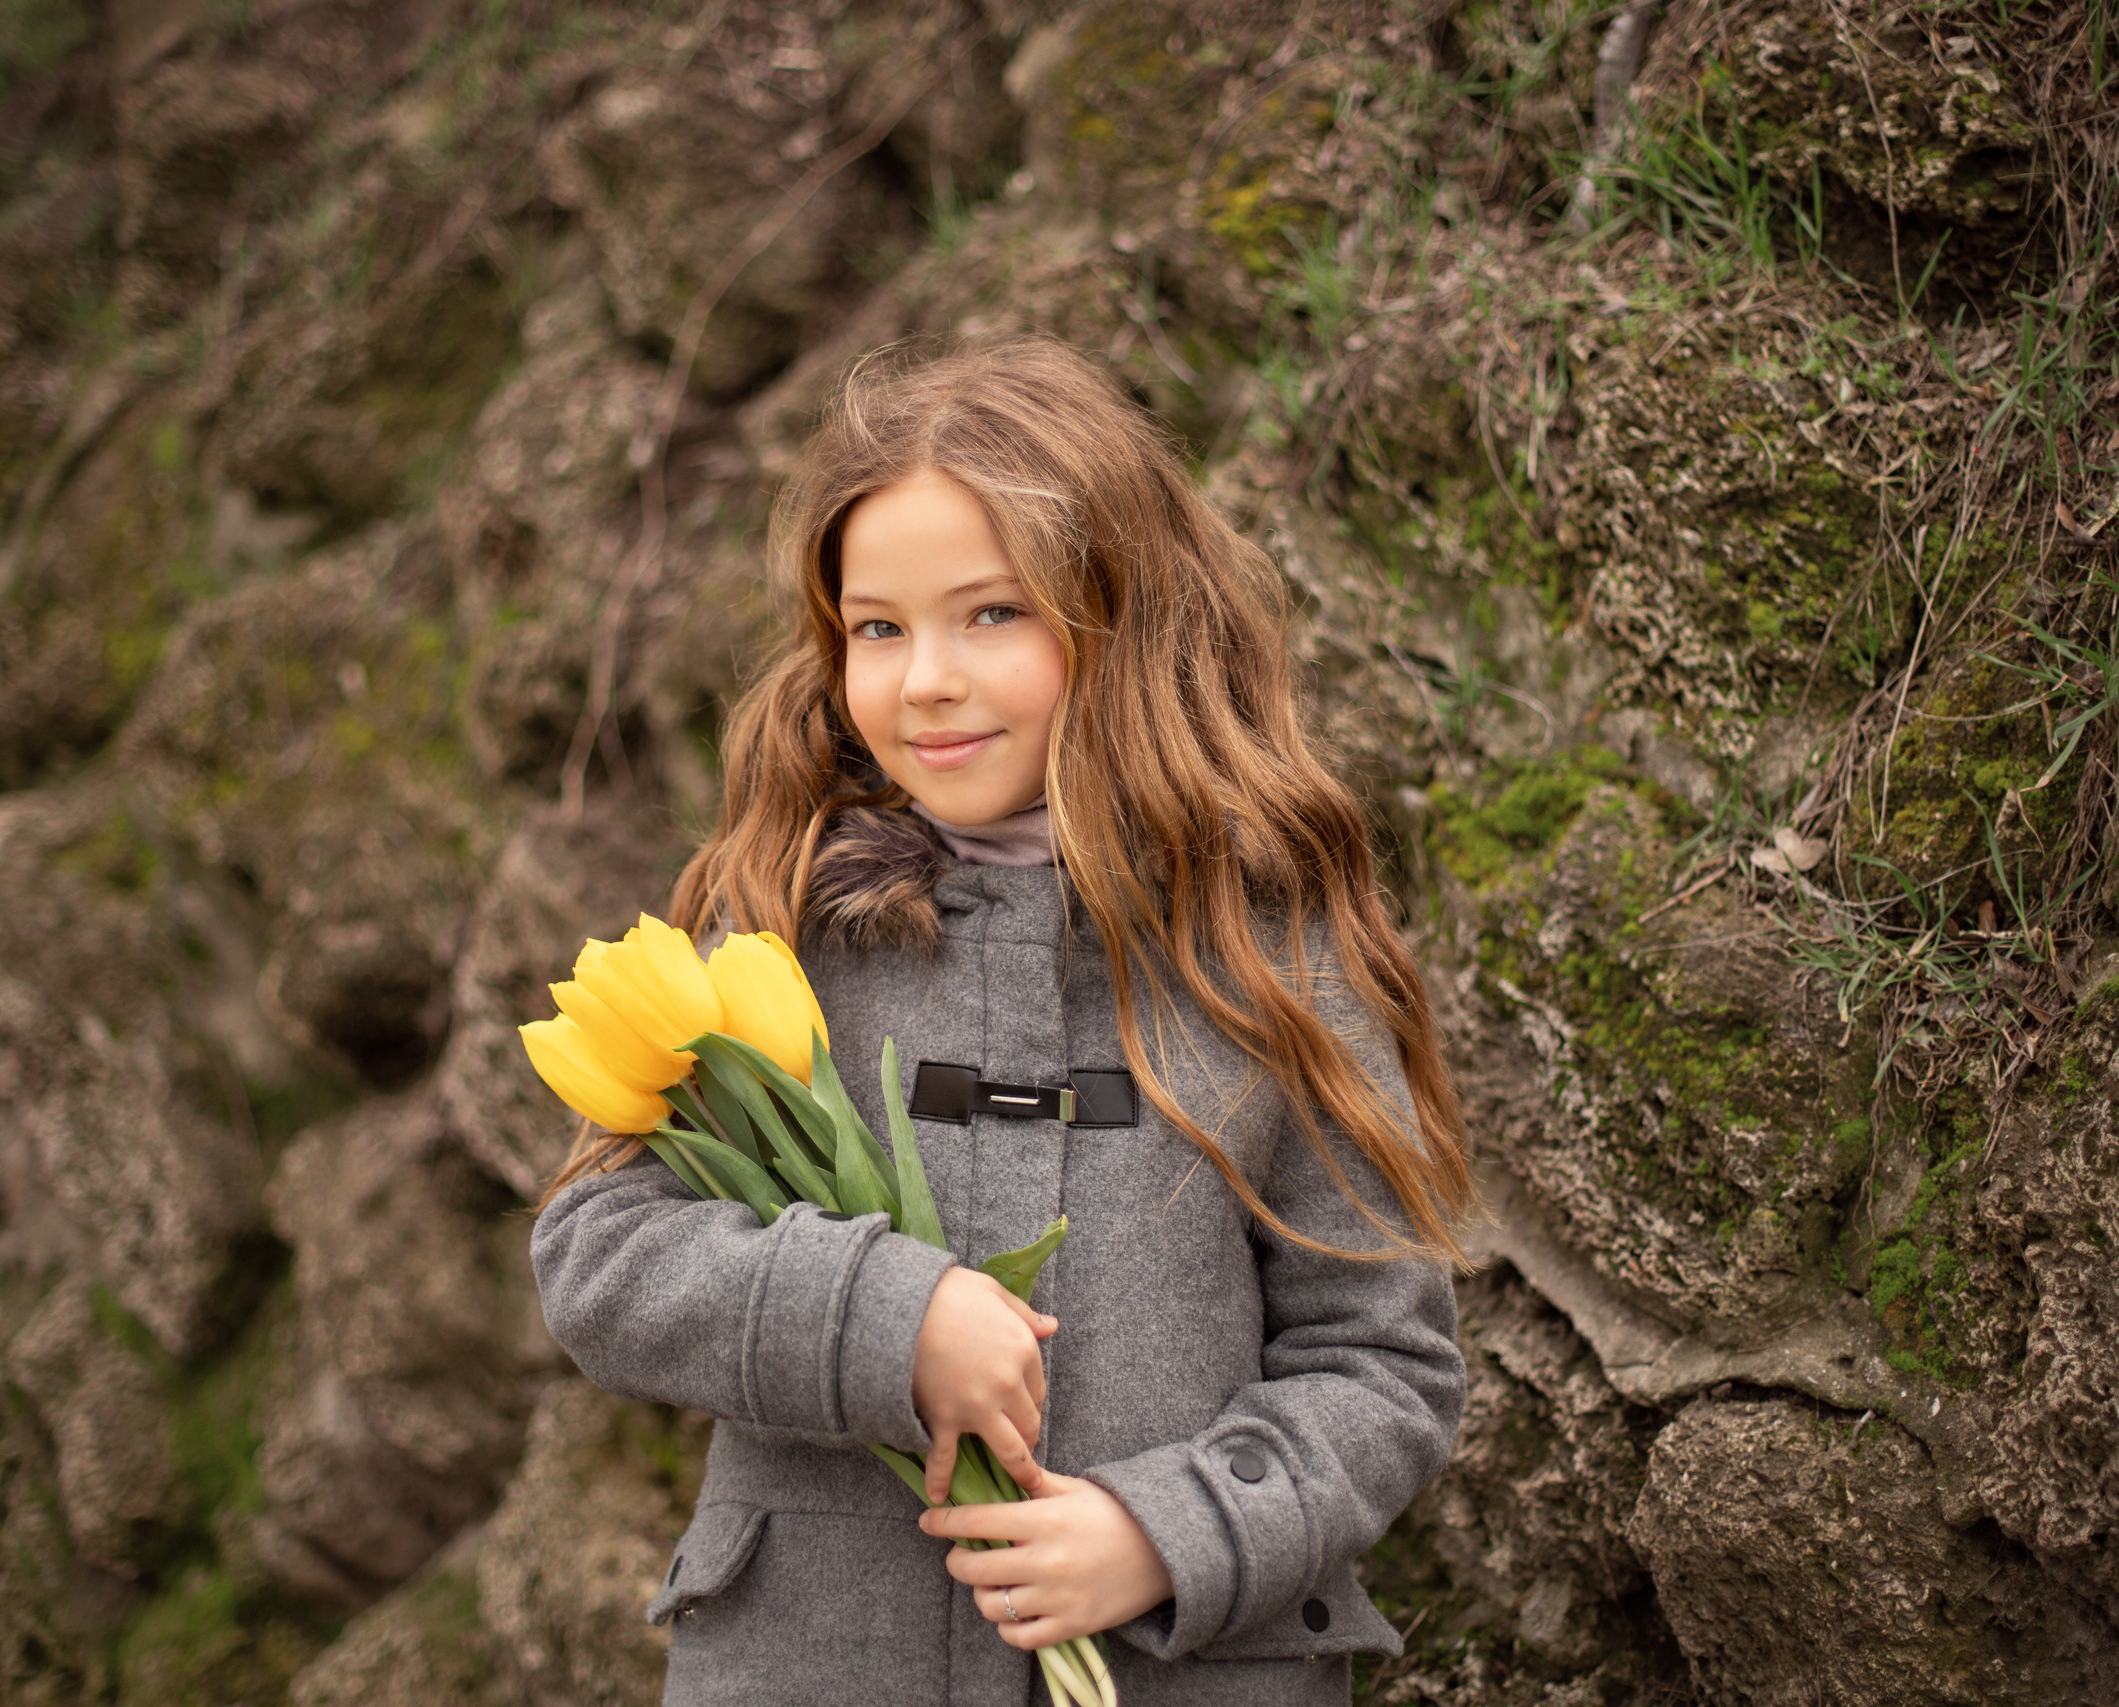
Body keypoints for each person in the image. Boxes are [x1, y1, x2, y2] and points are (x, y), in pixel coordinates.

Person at [531, 338, 1474, 1706]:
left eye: (991, 614)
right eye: (877, 629)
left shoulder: (1268, 954)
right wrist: (881, 1316)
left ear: (1125, 617)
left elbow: (1382, 1363)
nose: (925, 678)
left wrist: (1169, 1533)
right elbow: (601, 1254)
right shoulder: (786, 926)